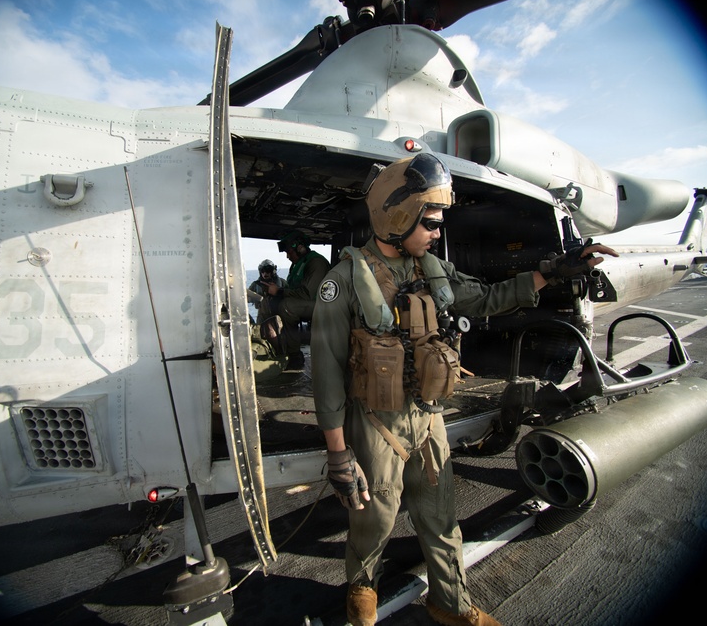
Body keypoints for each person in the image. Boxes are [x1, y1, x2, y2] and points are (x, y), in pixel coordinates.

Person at [310, 153, 618, 626]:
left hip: (429, 416)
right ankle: (361, 585)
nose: (436, 232)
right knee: (375, 517)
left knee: (440, 516)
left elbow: (488, 298)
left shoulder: (433, 269)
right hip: (374, 421)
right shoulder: (344, 281)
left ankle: (450, 603)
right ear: (397, 217)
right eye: (430, 223)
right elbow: (328, 371)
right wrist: (338, 454)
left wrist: (552, 271)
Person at [259, 229, 331, 370]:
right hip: (307, 302)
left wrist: (279, 291)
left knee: (287, 306)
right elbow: (292, 289)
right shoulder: (297, 264)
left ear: (300, 248)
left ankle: (294, 356)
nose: (287, 256)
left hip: (323, 305)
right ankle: (276, 348)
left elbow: (307, 294)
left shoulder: (316, 262)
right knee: (269, 303)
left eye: (289, 252)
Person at [248, 259, 287, 324]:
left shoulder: (282, 282)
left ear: (273, 271)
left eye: (268, 271)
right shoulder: (256, 284)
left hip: (279, 315)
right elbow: (246, 298)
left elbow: (288, 294)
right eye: (263, 271)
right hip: (262, 316)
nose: (265, 273)